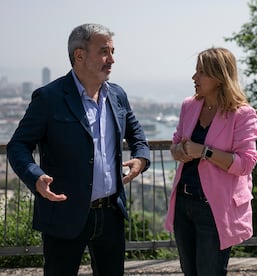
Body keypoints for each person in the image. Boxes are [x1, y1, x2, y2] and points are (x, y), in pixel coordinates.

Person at [7, 23, 150, 276]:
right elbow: (18, 145)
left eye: (113, 51)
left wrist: (140, 159)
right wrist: (34, 176)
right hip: (64, 213)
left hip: (111, 214)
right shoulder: (49, 97)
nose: (112, 59)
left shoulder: (117, 95)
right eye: (104, 51)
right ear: (80, 55)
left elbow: (137, 135)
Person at [164, 47, 257, 276]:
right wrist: (180, 150)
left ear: (219, 77)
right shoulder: (190, 105)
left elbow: (246, 163)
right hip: (183, 204)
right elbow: (175, 144)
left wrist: (204, 151)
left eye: (201, 72)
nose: (194, 77)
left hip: (215, 209)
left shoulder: (242, 113)